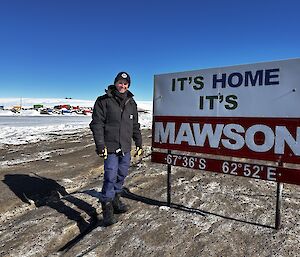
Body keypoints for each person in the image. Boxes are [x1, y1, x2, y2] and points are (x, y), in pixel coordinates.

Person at [90, 71, 143, 226]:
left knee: (121, 174)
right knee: (110, 176)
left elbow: (135, 125)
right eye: (120, 82)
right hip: (110, 147)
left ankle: (116, 201)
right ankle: (107, 209)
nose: (123, 85)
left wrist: (139, 143)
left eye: (126, 84)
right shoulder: (103, 101)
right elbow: (96, 124)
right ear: (115, 83)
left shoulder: (131, 103)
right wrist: (100, 145)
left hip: (126, 146)